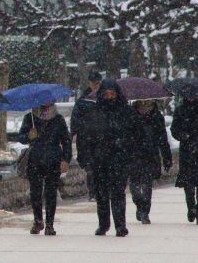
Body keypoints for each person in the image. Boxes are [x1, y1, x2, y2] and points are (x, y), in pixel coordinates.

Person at [79, 79, 141, 237]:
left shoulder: (126, 112)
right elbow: (86, 136)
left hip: (119, 159)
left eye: (112, 94)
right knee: (101, 195)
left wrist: (126, 147)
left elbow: (136, 135)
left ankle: (120, 225)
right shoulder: (94, 113)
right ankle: (103, 224)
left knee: (118, 194)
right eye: (106, 94)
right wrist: (86, 157)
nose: (109, 97)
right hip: (99, 160)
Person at [18, 102, 72, 235]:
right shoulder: (29, 118)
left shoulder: (58, 119)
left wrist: (66, 159)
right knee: (35, 192)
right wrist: (29, 136)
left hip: (53, 160)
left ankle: (49, 224)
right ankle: (38, 221)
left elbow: (66, 141)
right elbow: (21, 137)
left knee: (51, 192)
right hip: (35, 159)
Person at [129, 100, 172, 224]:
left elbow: (163, 139)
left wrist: (166, 158)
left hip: (150, 155)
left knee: (147, 184)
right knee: (134, 184)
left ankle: (145, 212)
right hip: (133, 155)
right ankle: (139, 204)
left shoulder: (157, 117)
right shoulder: (130, 115)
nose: (146, 104)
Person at [70, 71, 102, 200]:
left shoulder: (105, 98)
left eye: (98, 83)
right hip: (86, 139)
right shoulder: (83, 100)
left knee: (101, 166)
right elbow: (75, 119)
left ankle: (100, 190)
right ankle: (93, 192)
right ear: (90, 83)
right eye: (94, 83)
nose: (96, 85)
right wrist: (73, 133)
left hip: (102, 138)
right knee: (90, 167)